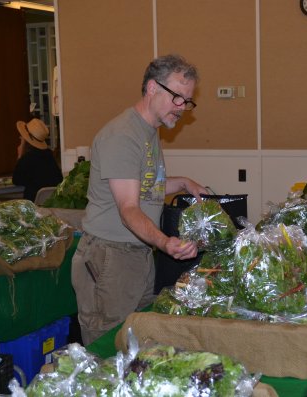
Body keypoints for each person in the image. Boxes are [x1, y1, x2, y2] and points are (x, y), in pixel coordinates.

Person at [71, 54, 208, 345]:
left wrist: (182, 182)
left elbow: (146, 186)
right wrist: (165, 242)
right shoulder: (123, 136)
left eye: (187, 100)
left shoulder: (147, 133)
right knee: (108, 348)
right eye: (177, 97)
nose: (182, 107)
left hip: (137, 255)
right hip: (111, 258)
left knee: (138, 345)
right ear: (151, 88)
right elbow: (128, 208)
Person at [12, 118, 63, 202]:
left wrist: (20, 155)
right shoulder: (49, 155)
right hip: (51, 203)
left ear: (26, 140)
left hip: (33, 204)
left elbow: (16, 180)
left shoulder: (28, 159)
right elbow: (59, 179)